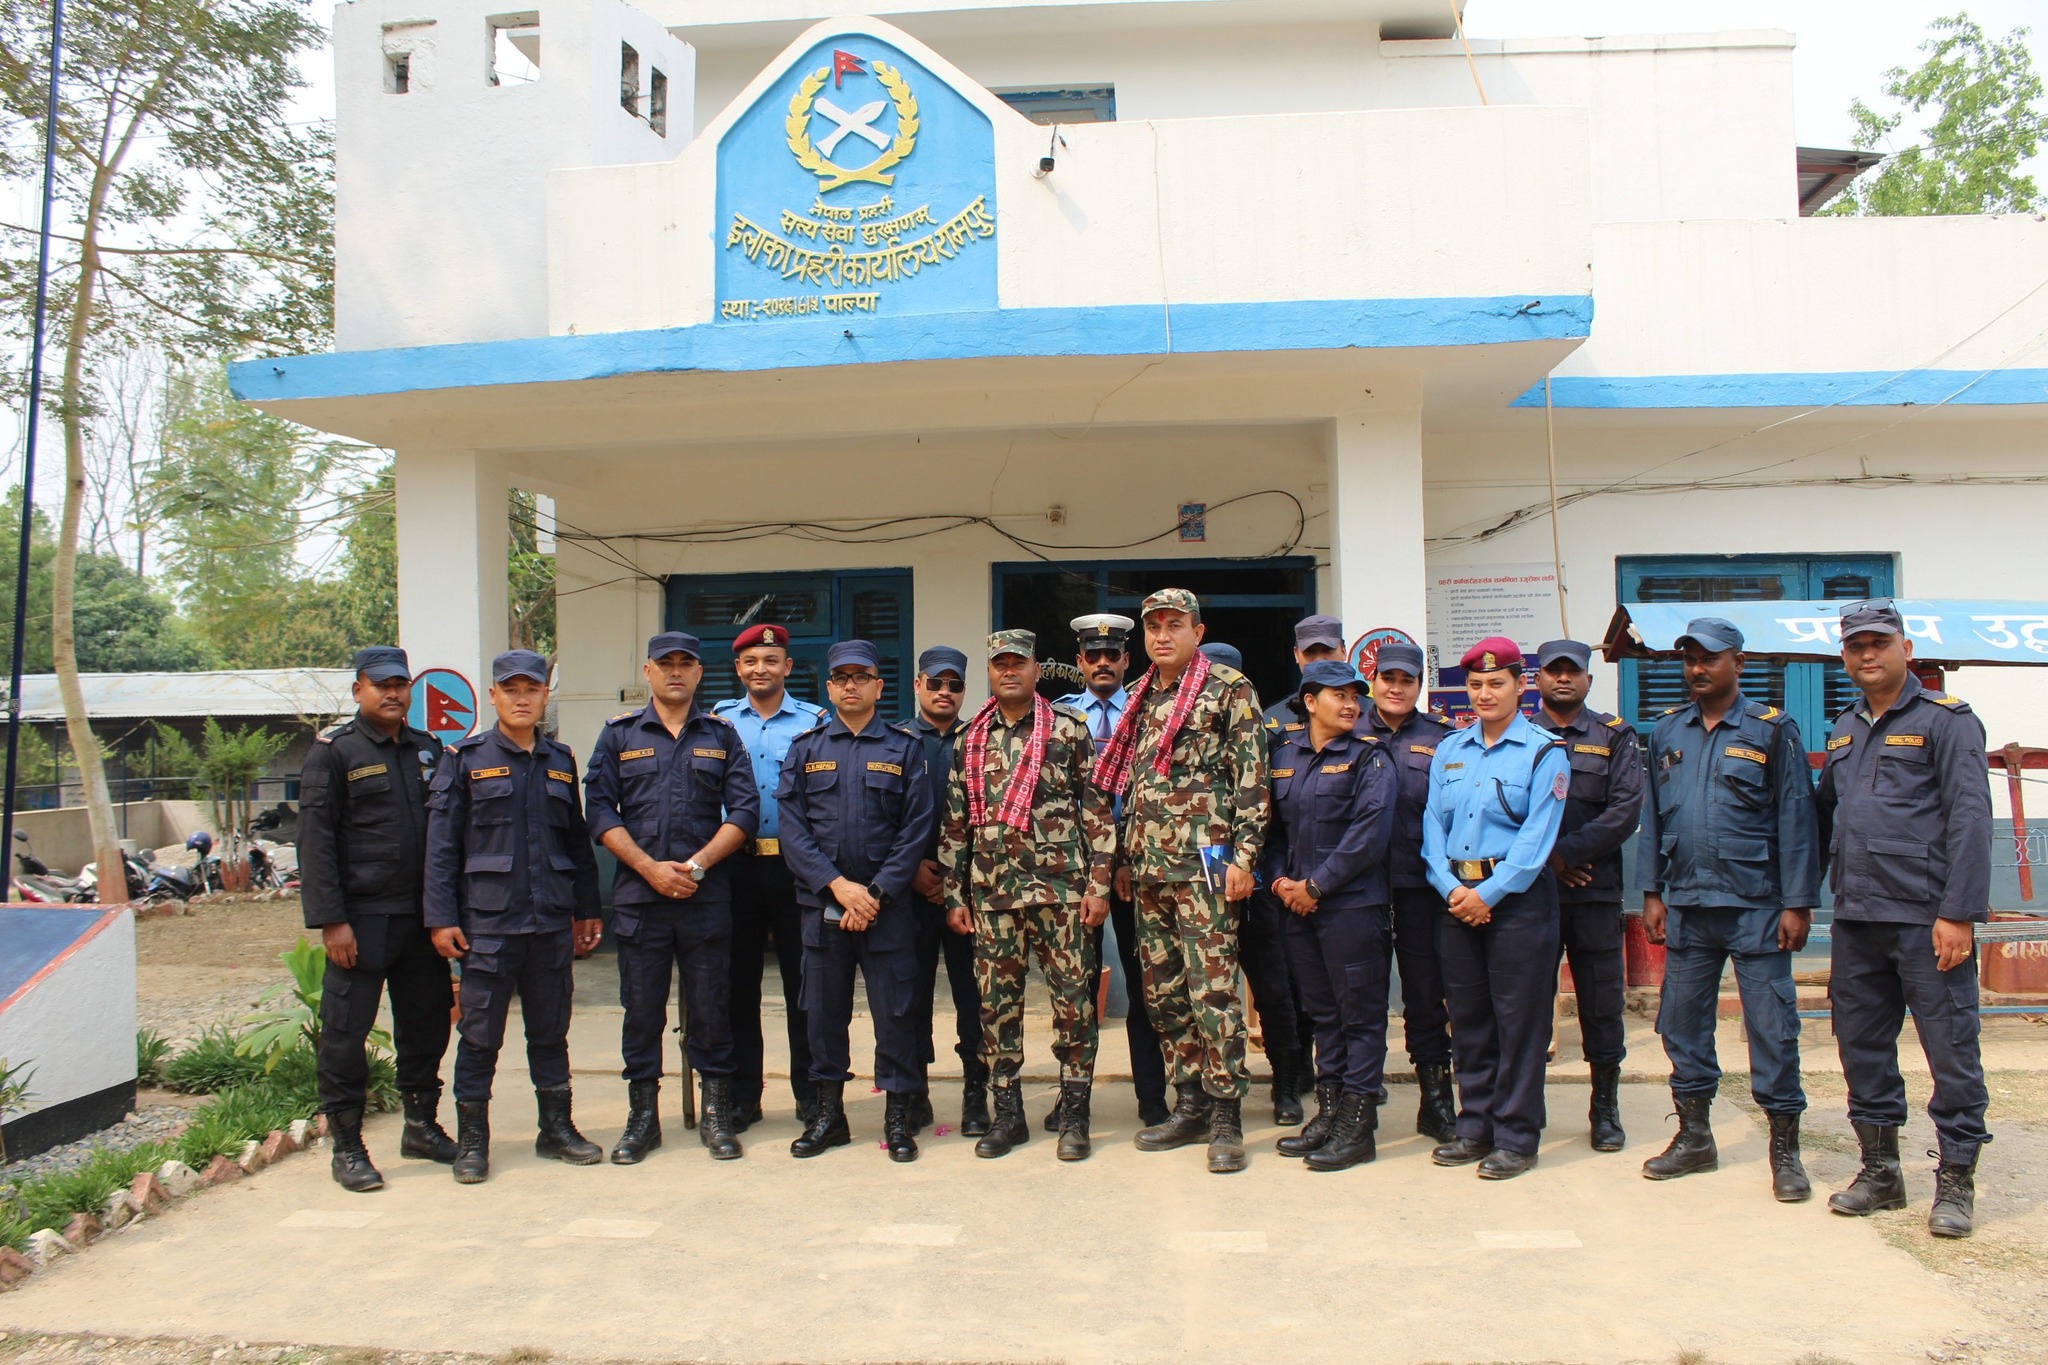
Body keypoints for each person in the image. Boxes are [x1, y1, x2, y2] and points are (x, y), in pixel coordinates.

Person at [1816, 599, 1993, 1238]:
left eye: (1879, 643)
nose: (1868, 654)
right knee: (1861, 1047)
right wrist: (1799, 897)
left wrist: (1959, 914)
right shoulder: (1844, 727)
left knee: (1951, 1049)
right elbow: (1825, 816)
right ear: (1844, 656)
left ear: (1905, 649)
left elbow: (1971, 818)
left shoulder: (1948, 721)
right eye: (1855, 646)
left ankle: (1956, 1182)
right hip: (1858, 917)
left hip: (1926, 918)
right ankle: (1881, 1173)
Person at [1636, 616, 1820, 1202]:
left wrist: (1798, 902)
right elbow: (1652, 816)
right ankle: (1695, 1138)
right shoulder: (1668, 730)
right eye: (1689, 658)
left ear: (1737, 663)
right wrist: (1651, 892)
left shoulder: (1772, 730)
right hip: (1689, 905)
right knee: (1681, 1025)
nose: (1697, 668)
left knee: (1772, 1028)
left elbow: (1797, 818)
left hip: (1756, 905)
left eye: (1709, 658)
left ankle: (1784, 1152)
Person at [1098, 588, 1269, 1176]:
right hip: (1151, 869)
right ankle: (1190, 1101)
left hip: (1208, 865)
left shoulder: (1229, 689)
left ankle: (1226, 1114)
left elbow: (1251, 779)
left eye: (1175, 625)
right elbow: (1135, 785)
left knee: (1213, 991)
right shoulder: (1141, 696)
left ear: (1198, 632)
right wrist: (1124, 858)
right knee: (1164, 994)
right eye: (1154, 627)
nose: (1162, 635)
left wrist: (1244, 858)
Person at [424, 651, 604, 1185]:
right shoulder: (464, 758)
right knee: (480, 1037)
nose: (521, 698)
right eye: (511, 689)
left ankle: (556, 1130)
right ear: (493, 696)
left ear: (546, 695)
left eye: (531, 689)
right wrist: (441, 918)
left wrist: (587, 909)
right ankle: (473, 1142)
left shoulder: (560, 759)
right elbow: (441, 848)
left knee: (550, 1033)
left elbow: (576, 841)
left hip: (549, 922)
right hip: (489, 925)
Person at [583, 631, 760, 1165]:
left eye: (686, 663)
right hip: (641, 899)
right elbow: (599, 811)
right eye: (666, 664)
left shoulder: (721, 735)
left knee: (711, 1007)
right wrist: (648, 868)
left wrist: (698, 865)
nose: (676, 671)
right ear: (648, 672)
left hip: (705, 896)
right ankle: (642, 1119)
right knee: (641, 1011)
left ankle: (716, 1114)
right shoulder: (619, 735)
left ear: (700, 673)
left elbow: (745, 811)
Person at [939, 630, 1114, 1160]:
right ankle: (1008, 1116)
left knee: (1074, 1005)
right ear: (990, 673)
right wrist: (955, 895)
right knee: (997, 1008)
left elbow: (1096, 810)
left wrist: (1099, 885)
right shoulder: (969, 738)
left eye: (1019, 662)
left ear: (1038, 669)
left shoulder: (1068, 729)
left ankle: (1075, 1115)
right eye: (1001, 664)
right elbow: (956, 825)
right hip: (993, 896)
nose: (1009, 671)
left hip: (1063, 893)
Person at [297, 646, 455, 1192]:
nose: (392, 693)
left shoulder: (428, 749)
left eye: (399, 684)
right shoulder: (334, 753)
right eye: (380, 685)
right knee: (345, 1034)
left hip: (421, 919)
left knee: (427, 1026)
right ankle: (347, 1146)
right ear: (358, 690)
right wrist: (330, 921)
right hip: (361, 921)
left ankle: (421, 1127)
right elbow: (314, 842)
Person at [778, 640, 935, 1162]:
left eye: (861, 676)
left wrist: (875, 892)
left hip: (886, 908)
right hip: (823, 905)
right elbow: (792, 829)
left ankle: (898, 1118)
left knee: (896, 1013)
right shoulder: (805, 748)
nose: (851, 685)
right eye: (841, 677)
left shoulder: (904, 748)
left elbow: (916, 828)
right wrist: (837, 887)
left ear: (878, 686)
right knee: (823, 1014)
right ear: (828, 687)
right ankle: (829, 1117)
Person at [1422, 637, 1569, 1181]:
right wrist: (1451, 889)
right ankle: (1476, 1125)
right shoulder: (1450, 749)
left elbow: (1536, 840)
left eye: (1496, 683)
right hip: (1456, 898)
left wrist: (1488, 895)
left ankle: (1516, 1136)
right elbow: (1432, 828)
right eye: (1476, 684)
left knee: (1519, 1023)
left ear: (1520, 685)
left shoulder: (1545, 752)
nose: (1485, 693)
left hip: (1518, 902)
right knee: (1469, 1020)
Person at [1264, 661, 1397, 1171]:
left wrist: (1316, 886)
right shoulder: (1284, 756)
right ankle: (1330, 1111)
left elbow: (1368, 834)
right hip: (1297, 908)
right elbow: (1273, 832)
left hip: (1352, 907)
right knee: (1323, 1015)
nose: (1350, 704)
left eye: (1354, 696)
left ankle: (1357, 1126)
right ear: (1309, 701)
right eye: (1338, 695)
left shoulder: (1370, 756)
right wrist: (1281, 883)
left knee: (1359, 1016)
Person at [1529, 638, 1645, 1153]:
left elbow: (1625, 810)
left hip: (1593, 892)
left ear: (1588, 681)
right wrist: (1548, 862)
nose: (1563, 679)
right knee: (1528, 1004)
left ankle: (1605, 1109)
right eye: (1553, 671)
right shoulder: (1518, 734)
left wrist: (1564, 855)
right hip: (1529, 893)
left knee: (1601, 1005)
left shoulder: (1614, 735)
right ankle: (1526, 1106)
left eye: (1572, 671)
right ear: (1537, 679)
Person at [1057, 612, 1170, 1128]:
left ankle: (1152, 1098)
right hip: (1074, 870)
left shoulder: (1151, 710)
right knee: (1072, 988)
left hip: (1138, 869)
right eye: (1093, 655)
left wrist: (1122, 858)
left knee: (1147, 984)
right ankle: (1071, 1097)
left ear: (1127, 659)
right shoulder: (1059, 717)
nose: (1102, 663)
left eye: (1112, 655)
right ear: (1079, 662)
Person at [713, 624, 828, 1130]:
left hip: (795, 868)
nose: (761, 669)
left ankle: (811, 1094)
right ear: (738, 668)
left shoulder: (815, 721)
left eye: (771, 660)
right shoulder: (716, 723)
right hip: (733, 868)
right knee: (737, 987)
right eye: (751, 661)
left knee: (805, 987)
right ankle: (743, 1096)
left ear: (787, 666)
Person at [1244, 615, 1353, 1126]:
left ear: (1343, 651)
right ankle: (1292, 1074)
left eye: (1328, 652)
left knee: (1333, 987)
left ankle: (1346, 1079)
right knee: (1280, 981)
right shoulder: (1270, 721)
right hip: (1274, 878)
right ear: (1297, 657)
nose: (1320, 661)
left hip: (1336, 879)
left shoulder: (1358, 717)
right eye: (1311, 654)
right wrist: (1277, 878)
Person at [1357, 641, 1458, 1142]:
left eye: (1407, 680)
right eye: (1388, 678)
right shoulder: (1348, 729)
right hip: (1359, 888)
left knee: (1425, 995)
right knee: (1360, 995)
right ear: (1373, 680)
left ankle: (1435, 1102)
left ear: (1419, 685)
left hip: (1421, 887)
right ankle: (1359, 1099)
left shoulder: (1443, 738)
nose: (1396, 688)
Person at [904, 645, 987, 1136]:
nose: (944, 692)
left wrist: (957, 879)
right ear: (918, 685)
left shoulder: (980, 740)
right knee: (910, 998)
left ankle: (976, 1093)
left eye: (953, 685)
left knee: (973, 998)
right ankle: (914, 1092)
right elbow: (883, 818)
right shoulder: (895, 741)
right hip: (908, 892)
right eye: (935, 683)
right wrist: (911, 869)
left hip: (968, 894)